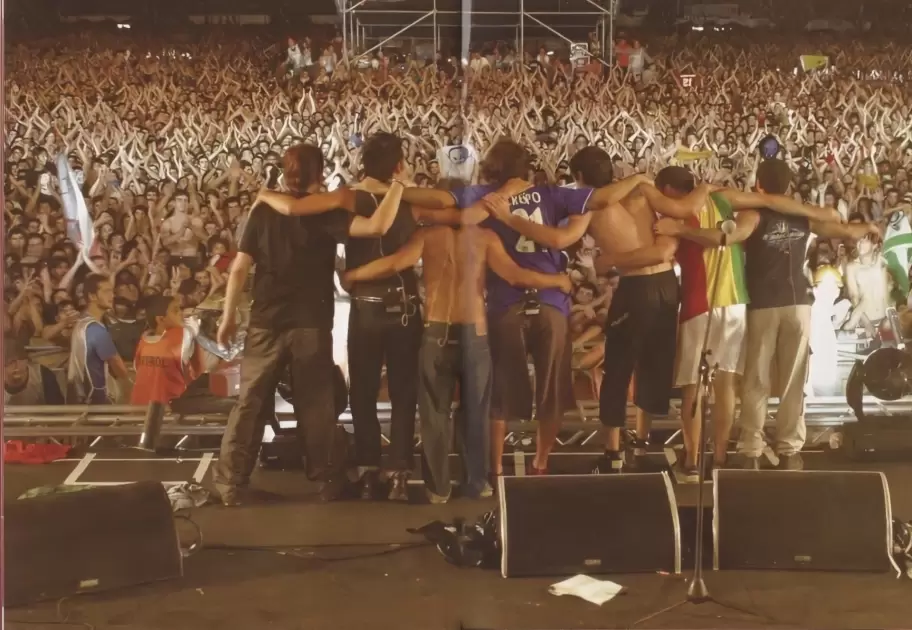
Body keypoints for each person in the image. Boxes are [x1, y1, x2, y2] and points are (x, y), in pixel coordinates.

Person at [397, 140, 642, 476]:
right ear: (526, 167)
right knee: (551, 390)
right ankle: (540, 463)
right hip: (552, 303)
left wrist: (390, 188)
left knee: (499, 392)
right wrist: (640, 178)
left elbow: (440, 200)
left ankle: (496, 467)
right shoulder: (552, 194)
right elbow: (601, 197)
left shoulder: (488, 196)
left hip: (504, 304)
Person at [492, 146, 710, 474]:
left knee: (618, 370)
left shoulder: (588, 205)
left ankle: (613, 453)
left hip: (636, 288)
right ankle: (643, 438)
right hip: (667, 287)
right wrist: (706, 187)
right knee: (654, 366)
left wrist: (510, 219)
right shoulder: (641, 189)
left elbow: (560, 239)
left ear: (579, 178)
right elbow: (681, 210)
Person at [212, 143, 405, 506]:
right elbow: (376, 227)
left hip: (265, 319)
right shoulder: (327, 212)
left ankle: (231, 485)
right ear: (319, 173)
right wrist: (400, 184)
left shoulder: (263, 211)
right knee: (315, 403)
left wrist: (226, 316)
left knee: (250, 402)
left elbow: (238, 268)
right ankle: (327, 480)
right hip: (311, 322)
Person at [663, 159, 878, 471]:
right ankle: (790, 449)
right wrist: (869, 228)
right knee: (793, 381)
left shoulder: (753, 213)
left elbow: (726, 238)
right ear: (788, 186)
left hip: (763, 304)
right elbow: (844, 229)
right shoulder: (803, 217)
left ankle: (751, 449)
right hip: (800, 305)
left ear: (759, 185)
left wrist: (681, 228)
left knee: (756, 380)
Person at [342, 218, 573, 502]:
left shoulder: (427, 234)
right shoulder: (484, 237)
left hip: (437, 330)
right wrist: (557, 280)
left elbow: (394, 263)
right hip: (473, 333)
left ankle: (438, 489)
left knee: (435, 415)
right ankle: (476, 483)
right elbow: (516, 276)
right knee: (475, 412)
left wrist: (354, 275)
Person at [66, 273, 131, 404]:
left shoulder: (81, 323)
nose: (112, 296)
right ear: (92, 296)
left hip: (80, 398)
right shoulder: (96, 329)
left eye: (112, 292)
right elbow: (120, 369)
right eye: (106, 291)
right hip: (96, 401)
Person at [130, 295, 205, 406]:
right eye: (175, 311)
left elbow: (137, 368)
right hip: (168, 409)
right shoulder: (182, 334)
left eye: (180, 309)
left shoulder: (144, 339)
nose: (181, 313)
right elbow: (199, 371)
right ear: (161, 319)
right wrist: (196, 334)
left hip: (139, 407)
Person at [4, 338, 65, 405]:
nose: (17, 366)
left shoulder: (43, 376)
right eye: (10, 362)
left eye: (21, 359)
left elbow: (58, 411)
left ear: (27, 360)